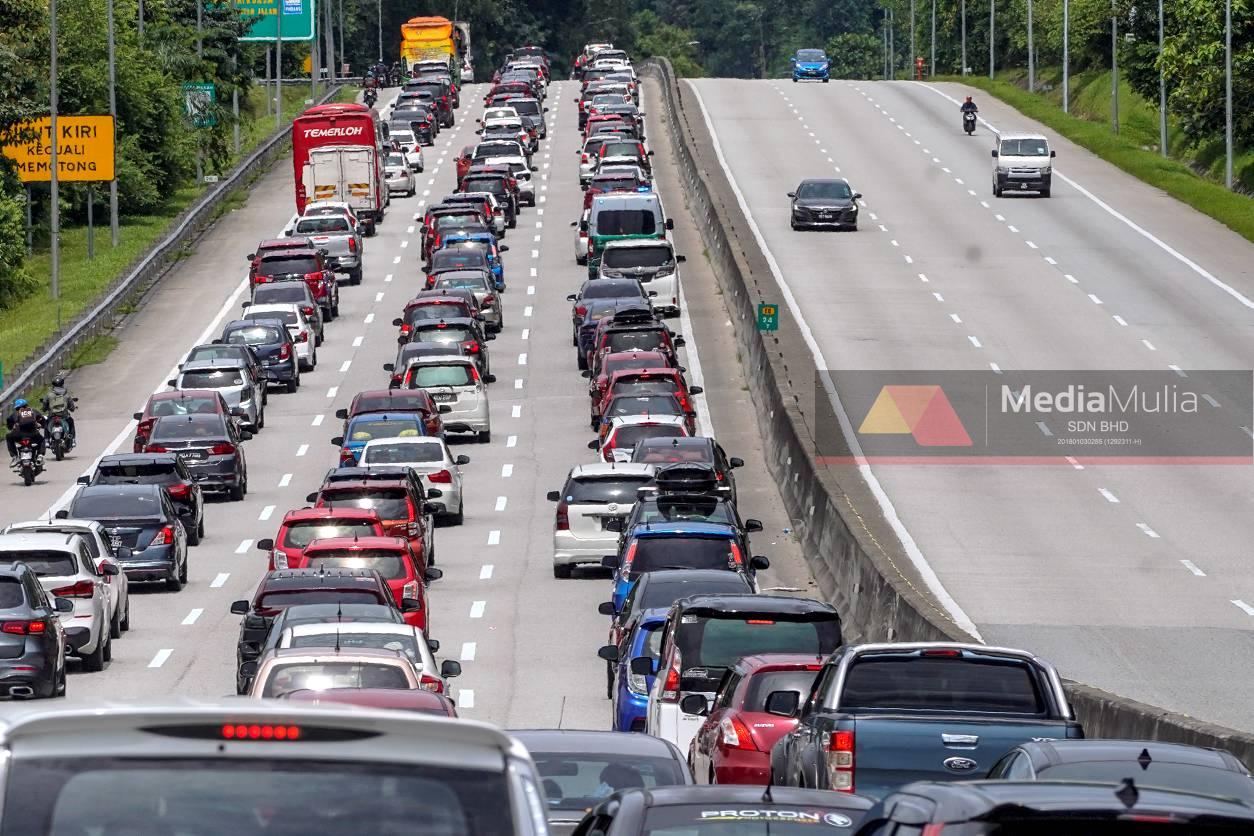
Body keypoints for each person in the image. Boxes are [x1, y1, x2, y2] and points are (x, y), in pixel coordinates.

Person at [40, 375, 76, 443]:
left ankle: (47, 439)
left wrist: (44, 409)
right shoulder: (66, 395)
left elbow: (44, 404)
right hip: (64, 415)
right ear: (62, 384)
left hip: (52, 416)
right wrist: (72, 408)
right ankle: (73, 439)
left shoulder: (49, 395)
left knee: (46, 423)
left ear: (53, 384)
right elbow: (72, 407)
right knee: (71, 421)